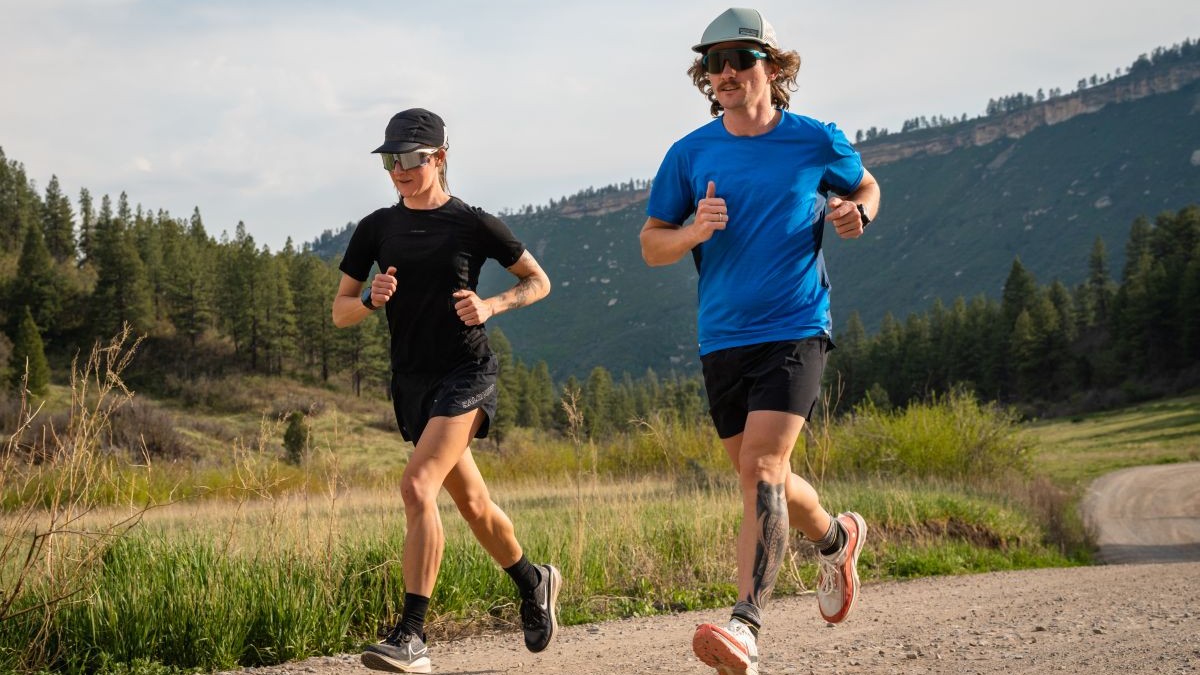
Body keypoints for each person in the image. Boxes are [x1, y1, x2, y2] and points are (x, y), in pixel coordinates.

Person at [639, 8, 880, 675]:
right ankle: (835, 538)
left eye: (740, 59)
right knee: (758, 475)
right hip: (722, 336)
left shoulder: (815, 140)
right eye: (713, 62)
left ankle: (745, 624)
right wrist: (694, 231)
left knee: (763, 469)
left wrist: (858, 213)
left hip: (796, 325)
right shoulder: (689, 154)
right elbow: (652, 244)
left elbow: (865, 185)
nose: (725, 72)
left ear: (773, 68)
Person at [333, 107, 560, 674]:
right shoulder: (376, 228)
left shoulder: (472, 223)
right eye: (390, 160)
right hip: (412, 383)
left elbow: (538, 281)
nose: (398, 170)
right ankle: (533, 581)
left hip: (466, 373)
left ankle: (412, 635)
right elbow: (340, 310)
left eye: (410, 159)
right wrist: (370, 300)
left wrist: (491, 305)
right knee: (475, 506)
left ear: (439, 157)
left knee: (417, 485)